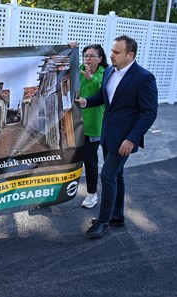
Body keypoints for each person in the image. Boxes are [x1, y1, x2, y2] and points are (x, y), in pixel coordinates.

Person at [75, 35, 158, 239]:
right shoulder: (110, 71)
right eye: (112, 51)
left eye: (116, 52)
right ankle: (117, 216)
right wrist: (86, 102)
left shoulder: (144, 77)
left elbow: (149, 112)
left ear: (130, 55)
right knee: (118, 175)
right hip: (108, 134)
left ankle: (104, 222)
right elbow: (104, 98)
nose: (111, 55)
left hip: (125, 139)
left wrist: (132, 139)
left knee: (108, 175)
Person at [79, 44, 109, 209]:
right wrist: (69, 48)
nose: (88, 59)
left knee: (90, 161)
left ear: (100, 58)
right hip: (74, 123)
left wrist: (91, 79)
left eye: (92, 56)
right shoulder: (80, 68)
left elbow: (100, 92)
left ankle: (92, 194)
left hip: (93, 126)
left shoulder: (105, 74)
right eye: (85, 56)